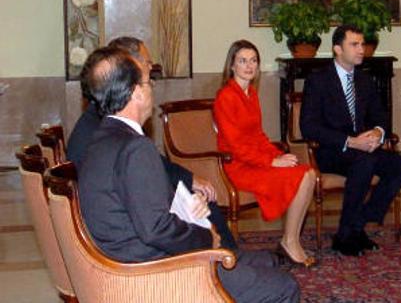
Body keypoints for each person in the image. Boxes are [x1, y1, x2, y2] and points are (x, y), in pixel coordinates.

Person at [77, 47, 299, 303]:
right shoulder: (135, 148)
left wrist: (188, 210)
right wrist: (206, 237)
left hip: (130, 259)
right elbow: (156, 230)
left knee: (266, 262)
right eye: (148, 84)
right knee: (284, 286)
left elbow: (139, 208)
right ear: (137, 93)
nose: (151, 90)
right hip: (154, 272)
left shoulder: (100, 140)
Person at [67, 37, 237, 250]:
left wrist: (188, 182)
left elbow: (155, 165)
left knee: (201, 203)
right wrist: (206, 238)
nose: (151, 73)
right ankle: (229, 259)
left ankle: (231, 258)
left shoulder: (105, 124)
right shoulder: (109, 133)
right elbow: (154, 226)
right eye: (147, 67)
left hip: (122, 229)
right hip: (137, 252)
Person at [300, 25, 401, 256]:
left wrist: (377, 134)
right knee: (364, 162)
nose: (361, 49)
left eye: (362, 44)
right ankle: (349, 231)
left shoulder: (364, 80)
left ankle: (354, 225)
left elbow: (381, 117)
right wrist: (351, 141)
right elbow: (309, 127)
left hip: (364, 149)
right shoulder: (318, 80)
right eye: (354, 44)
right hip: (331, 150)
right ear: (337, 49)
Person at [213, 40, 317, 267]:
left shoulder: (250, 93)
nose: (249, 66)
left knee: (308, 173)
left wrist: (278, 155)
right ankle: (290, 243)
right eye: (242, 61)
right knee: (302, 176)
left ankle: (291, 240)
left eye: (253, 61)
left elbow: (258, 136)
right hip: (237, 166)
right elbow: (236, 146)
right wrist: (272, 161)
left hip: (254, 160)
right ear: (232, 65)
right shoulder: (226, 97)